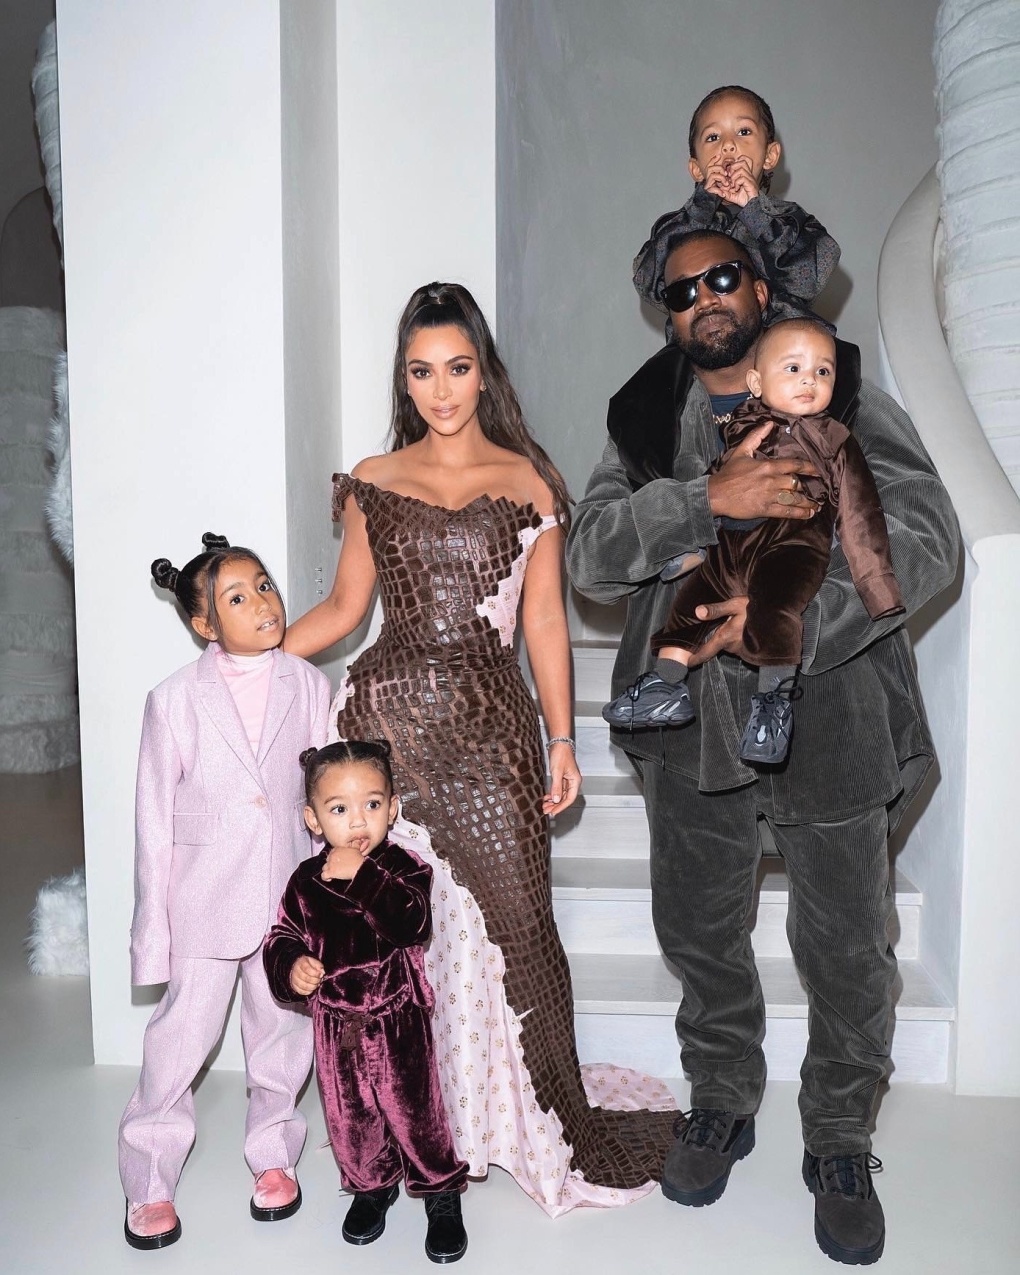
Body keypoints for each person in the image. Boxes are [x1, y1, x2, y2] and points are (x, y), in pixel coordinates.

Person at [566, 231, 958, 1265]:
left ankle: (839, 1138)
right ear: (664, 310)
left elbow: (926, 534)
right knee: (699, 927)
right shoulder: (643, 418)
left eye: (723, 275)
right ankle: (723, 1097)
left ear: (757, 282)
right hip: (690, 728)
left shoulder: (837, 388)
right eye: (681, 288)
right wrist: (706, 499)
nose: (705, 296)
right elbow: (590, 558)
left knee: (847, 944)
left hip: (832, 712)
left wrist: (799, 621)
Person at [283, 282, 678, 1216]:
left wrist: (562, 736)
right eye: (421, 371)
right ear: (403, 379)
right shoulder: (374, 478)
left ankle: (512, 1120)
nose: (441, 389)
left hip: (492, 728)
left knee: (521, 928)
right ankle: (415, 1124)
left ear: (484, 371)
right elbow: (344, 609)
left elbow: (543, 621)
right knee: (395, 939)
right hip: (383, 730)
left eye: (457, 368)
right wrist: (246, 659)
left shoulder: (530, 479)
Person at [118, 534, 330, 1250]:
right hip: (202, 902)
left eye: (264, 585)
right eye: (238, 597)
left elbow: (321, 791)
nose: (263, 602)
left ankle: (274, 1153)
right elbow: (152, 823)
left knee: (283, 1032)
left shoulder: (309, 684)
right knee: (179, 1041)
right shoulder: (174, 699)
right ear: (205, 623)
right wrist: (152, 936)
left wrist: (328, 899)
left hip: (285, 898)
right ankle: (149, 1175)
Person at [603, 318, 904, 765]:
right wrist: (690, 539)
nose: (809, 381)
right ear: (757, 383)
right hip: (732, 545)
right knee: (690, 605)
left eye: (822, 371)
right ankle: (666, 685)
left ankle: (773, 703)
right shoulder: (741, 426)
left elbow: (860, 512)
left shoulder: (835, 438)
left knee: (774, 608)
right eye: (794, 369)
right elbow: (717, 484)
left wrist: (876, 587)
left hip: (794, 541)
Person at [263, 739, 469, 1263]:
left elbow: (412, 923)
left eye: (372, 804)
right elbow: (281, 936)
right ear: (313, 819)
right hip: (337, 1023)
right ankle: (371, 1185)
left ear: (393, 808)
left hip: (398, 1014)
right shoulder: (305, 883)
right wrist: (291, 965)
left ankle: (439, 1189)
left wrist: (363, 875)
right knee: (351, 1116)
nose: (358, 820)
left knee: (416, 1111)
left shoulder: (403, 867)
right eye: (339, 809)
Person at [623, 85, 840, 506]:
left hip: (783, 379)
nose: (728, 147)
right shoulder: (680, 226)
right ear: (694, 167)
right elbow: (649, 282)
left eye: (743, 132)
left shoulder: (790, 222)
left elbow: (809, 278)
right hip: (703, 386)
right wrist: (701, 207)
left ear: (770, 156)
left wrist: (756, 213)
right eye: (712, 137)